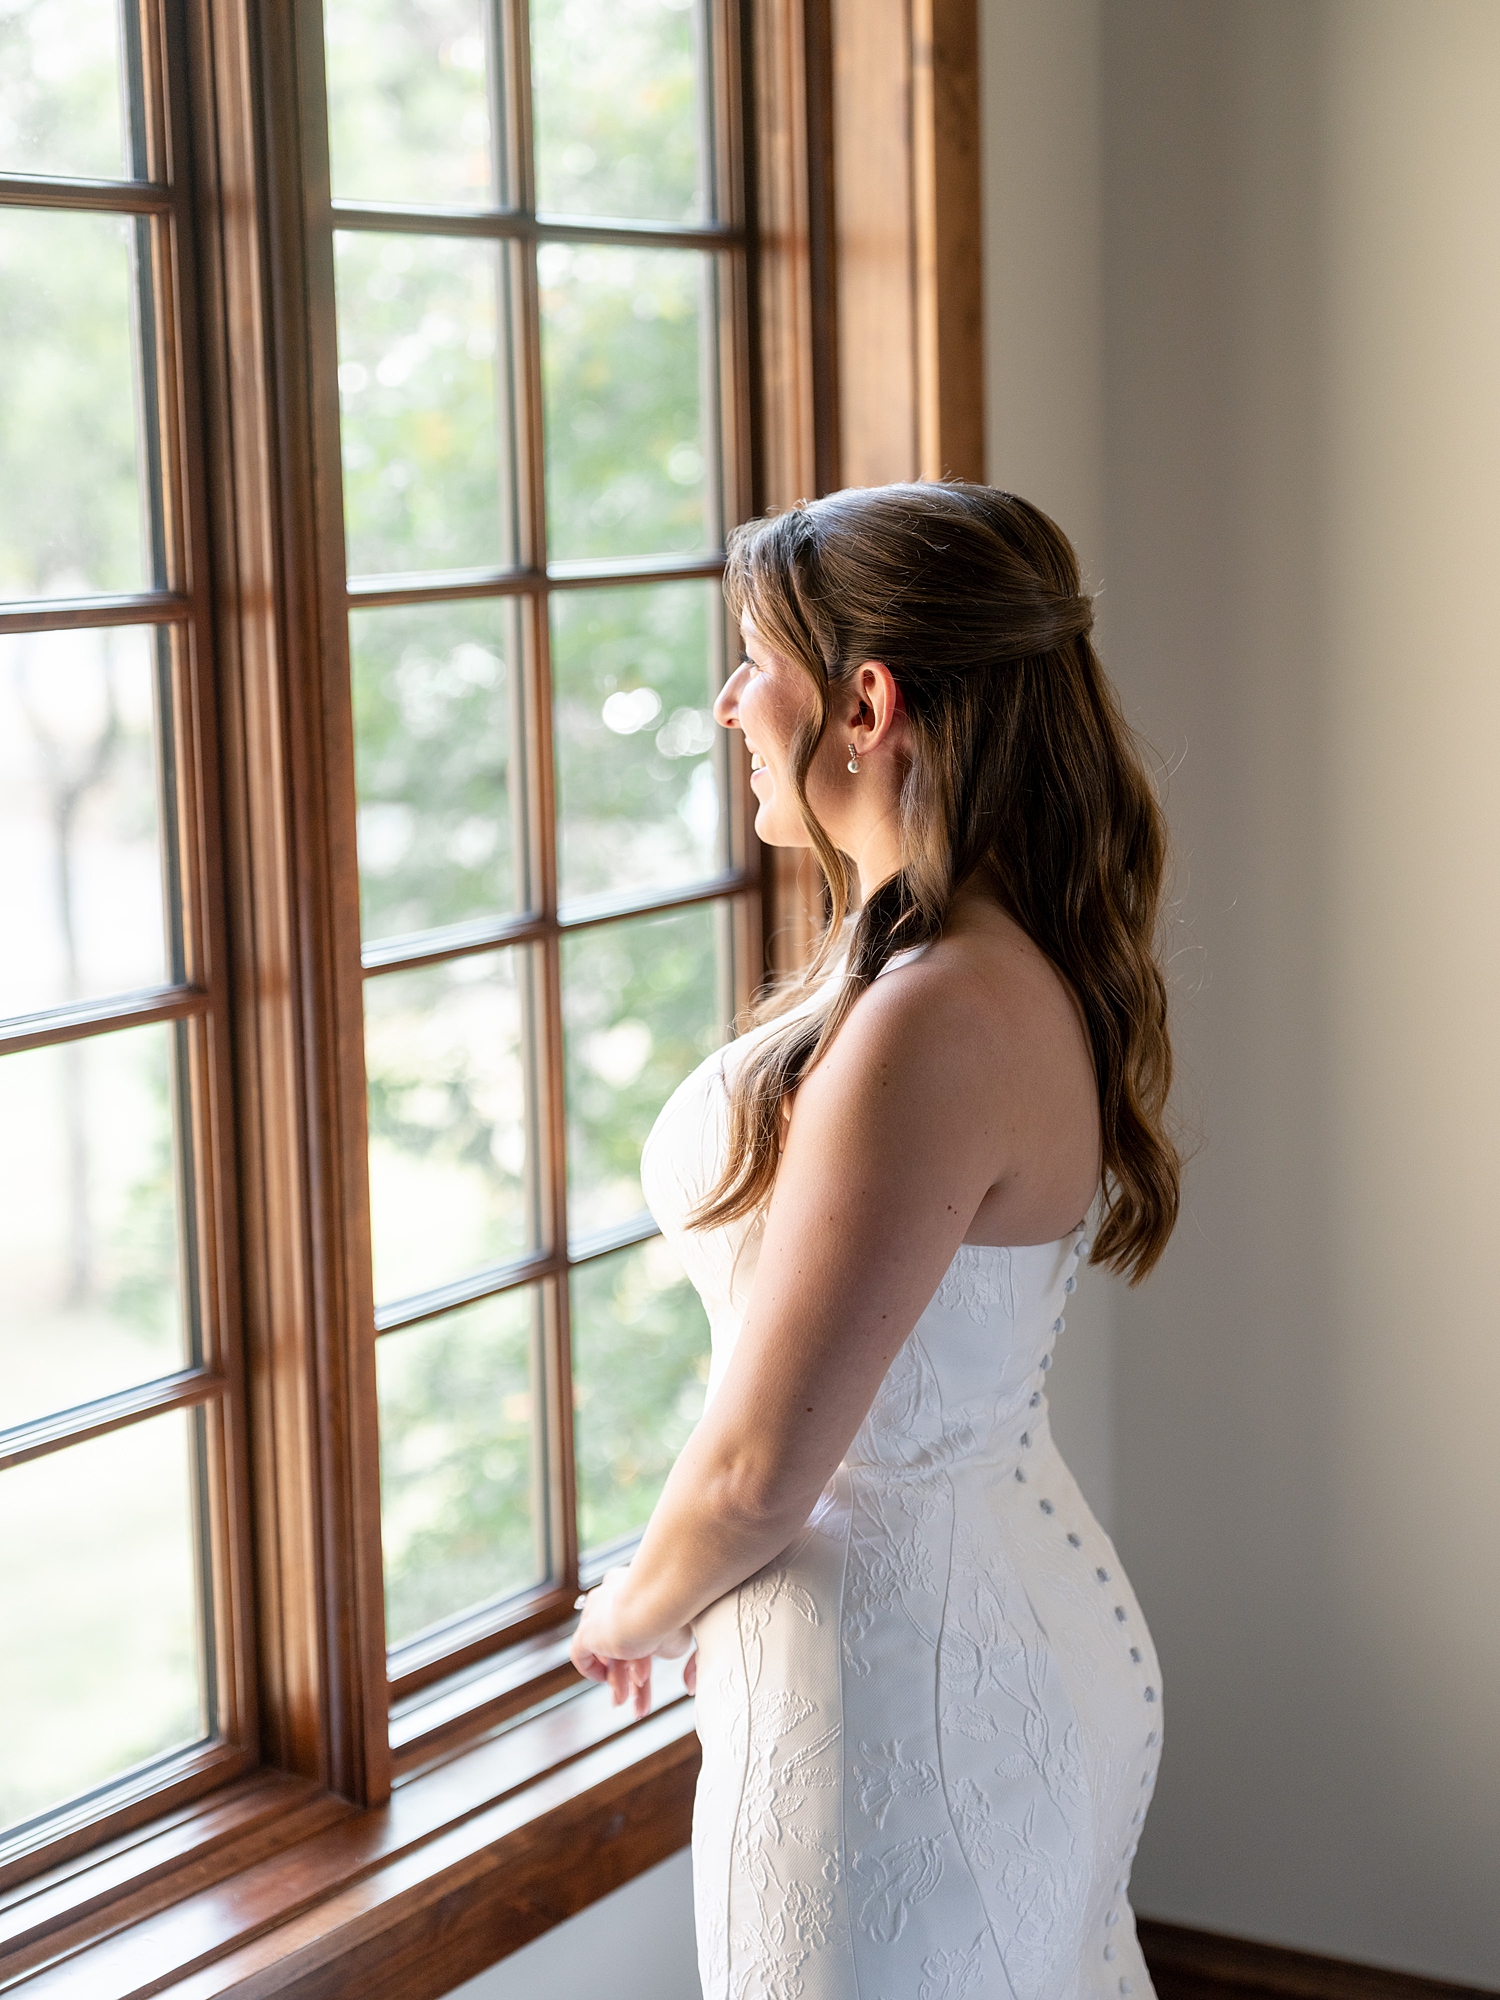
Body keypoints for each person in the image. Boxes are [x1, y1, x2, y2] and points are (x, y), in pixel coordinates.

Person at [570, 481, 1180, 2000]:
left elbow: (762, 1469)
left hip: (900, 1699)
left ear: (864, 700)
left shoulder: (931, 1016)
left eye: (752, 658)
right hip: (982, 1631)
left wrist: (629, 1613)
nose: (725, 703)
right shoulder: (969, 951)